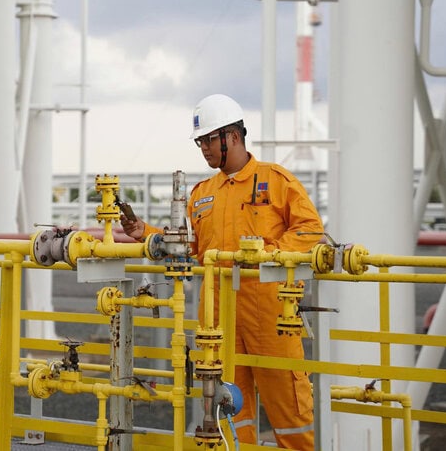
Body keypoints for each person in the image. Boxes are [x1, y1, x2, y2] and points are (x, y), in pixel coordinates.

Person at [120, 93, 323, 450]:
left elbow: (309, 230)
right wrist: (146, 233)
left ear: (232, 136)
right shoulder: (202, 194)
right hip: (218, 319)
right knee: (226, 405)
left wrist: (269, 254)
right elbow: (191, 247)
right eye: (200, 142)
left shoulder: (275, 181)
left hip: (271, 313)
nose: (204, 149)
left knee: (290, 409)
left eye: (209, 140)